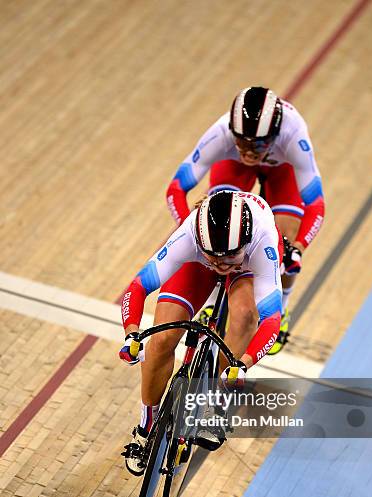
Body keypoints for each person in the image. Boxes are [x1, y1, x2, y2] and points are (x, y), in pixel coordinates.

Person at [119, 189, 285, 474]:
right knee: (160, 339)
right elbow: (137, 287)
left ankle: (218, 401)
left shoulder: (263, 241)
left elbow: (272, 319)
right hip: (199, 265)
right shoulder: (189, 236)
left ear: (245, 242)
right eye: (214, 257)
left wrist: (242, 365)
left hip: (246, 268)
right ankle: (146, 426)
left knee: (245, 315)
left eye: (228, 256)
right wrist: (132, 333)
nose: (221, 264)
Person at [166, 86, 325, 353]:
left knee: (283, 244)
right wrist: (192, 229)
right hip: (233, 169)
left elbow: (316, 205)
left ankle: (281, 310)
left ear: (274, 135)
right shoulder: (222, 133)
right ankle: (211, 304)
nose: (249, 152)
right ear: (233, 132)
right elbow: (176, 189)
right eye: (242, 142)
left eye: (258, 145)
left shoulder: (293, 135)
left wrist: (298, 247)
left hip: (281, 171)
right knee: (217, 228)